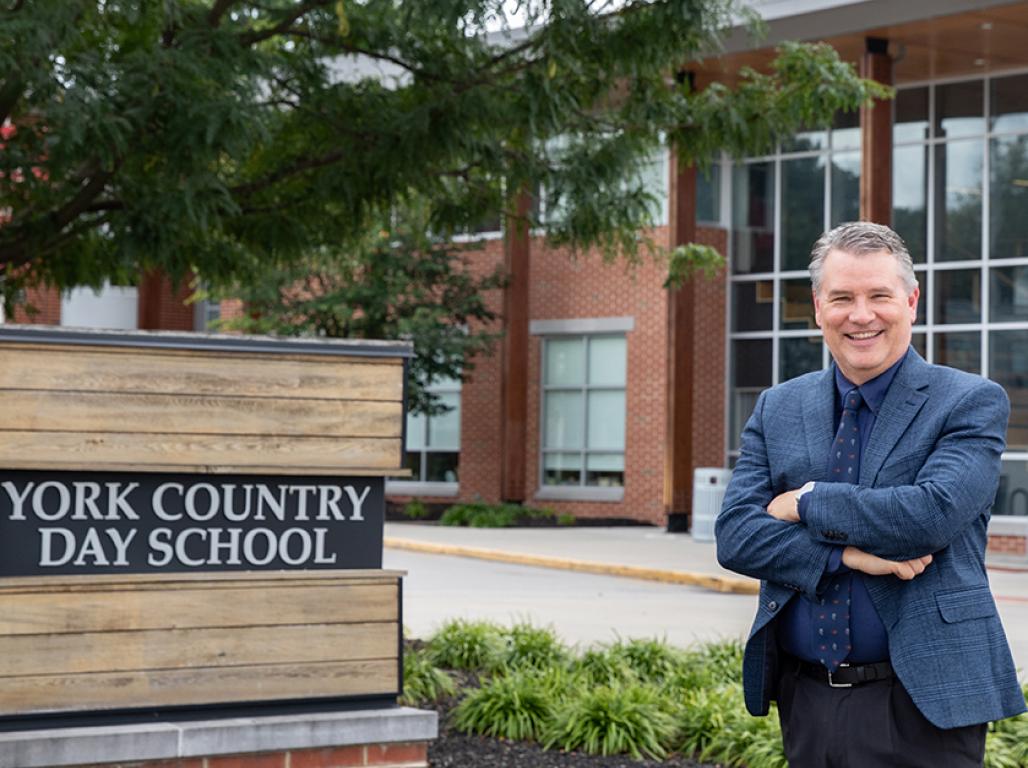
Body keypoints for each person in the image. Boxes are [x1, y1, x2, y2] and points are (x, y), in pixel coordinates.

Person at [715, 221, 1026, 767]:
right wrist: (848, 555)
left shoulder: (969, 402)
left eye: (879, 295)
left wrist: (804, 501)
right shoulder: (777, 407)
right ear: (818, 307)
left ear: (911, 300)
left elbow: (928, 516)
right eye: (842, 298)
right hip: (806, 695)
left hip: (925, 703)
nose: (861, 315)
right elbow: (737, 536)